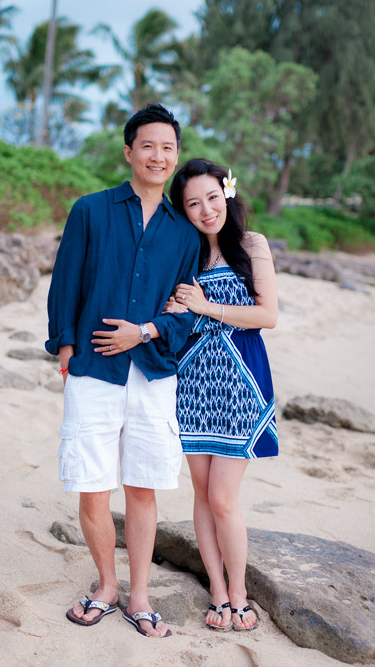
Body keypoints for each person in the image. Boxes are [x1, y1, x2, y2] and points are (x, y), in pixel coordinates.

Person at [46, 103, 201, 638]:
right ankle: (105, 586)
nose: (159, 156)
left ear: (175, 156)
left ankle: (139, 595)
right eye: (149, 145)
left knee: (142, 487)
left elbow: (184, 312)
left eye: (168, 148)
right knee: (92, 487)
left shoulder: (185, 234)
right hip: (93, 366)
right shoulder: (90, 210)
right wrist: (65, 348)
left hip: (154, 372)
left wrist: (147, 331)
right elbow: (65, 283)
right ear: (129, 151)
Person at [165, 158, 278, 632]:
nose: (205, 209)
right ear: (184, 211)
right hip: (192, 382)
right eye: (193, 203)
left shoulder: (252, 245)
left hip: (240, 382)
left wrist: (205, 305)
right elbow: (177, 316)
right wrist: (175, 307)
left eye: (212, 197)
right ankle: (216, 588)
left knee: (223, 497)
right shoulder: (183, 255)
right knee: (202, 493)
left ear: (226, 194)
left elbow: (267, 315)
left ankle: (240, 593)